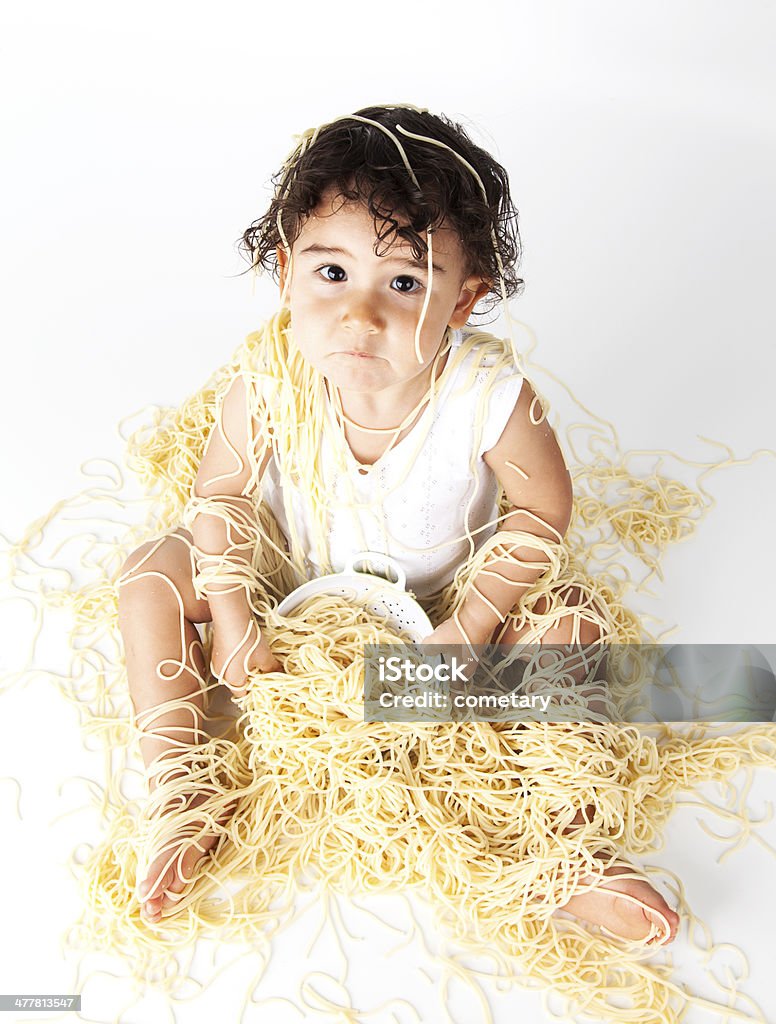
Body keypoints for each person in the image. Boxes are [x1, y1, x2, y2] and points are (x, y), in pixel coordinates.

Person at [117, 104, 679, 944]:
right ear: (285, 273)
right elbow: (222, 497)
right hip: (292, 606)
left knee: (574, 626)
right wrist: (234, 620)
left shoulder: (490, 397)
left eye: (405, 283)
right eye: (331, 273)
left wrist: (472, 624)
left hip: (439, 623)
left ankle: (568, 844)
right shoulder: (269, 377)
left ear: (464, 300)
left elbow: (541, 509)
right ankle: (185, 783)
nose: (359, 314)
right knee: (150, 572)